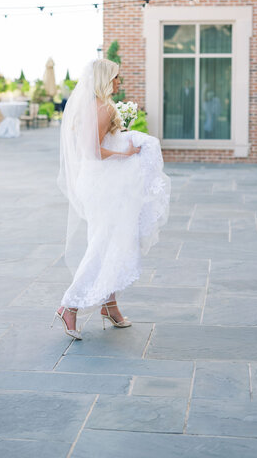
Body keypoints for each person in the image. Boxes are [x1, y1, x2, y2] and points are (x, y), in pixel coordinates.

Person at [53, 58, 170, 339]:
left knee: (111, 242)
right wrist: (127, 154)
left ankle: (110, 305)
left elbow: (99, 141)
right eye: (116, 77)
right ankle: (69, 306)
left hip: (96, 183)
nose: (119, 82)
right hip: (103, 185)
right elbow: (92, 150)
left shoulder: (92, 106)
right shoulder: (104, 107)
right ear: (105, 79)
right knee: (102, 244)